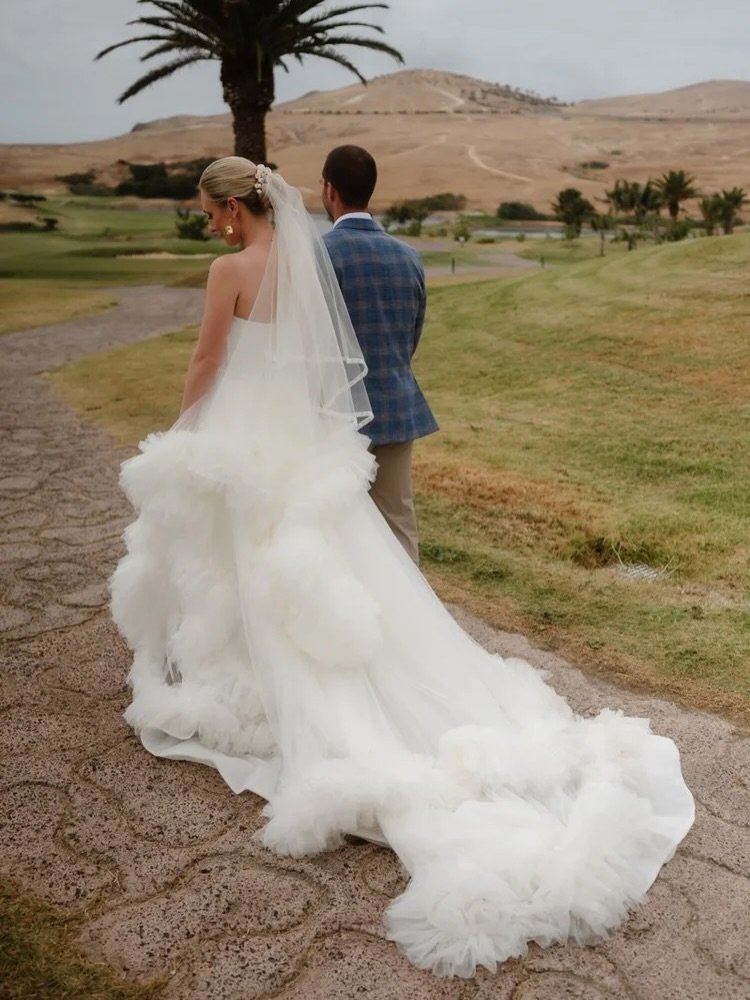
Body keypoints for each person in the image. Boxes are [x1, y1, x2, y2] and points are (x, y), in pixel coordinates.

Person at [111, 156, 694, 980]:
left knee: (250, 555)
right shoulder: (331, 261)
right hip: (320, 434)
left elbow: (208, 360)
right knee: (364, 553)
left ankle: (254, 672)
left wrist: (182, 429)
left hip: (250, 434)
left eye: (211, 210)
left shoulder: (233, 267)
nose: (210, 223)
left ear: (234, 210)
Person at [322, 145, 438, 564]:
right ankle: (409, 622)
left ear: (329, 190)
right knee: (397, 521)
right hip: (396, 406)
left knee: (332, 521)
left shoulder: (319, 255)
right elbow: (411, 338)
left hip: (333, 416)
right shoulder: (409, 257)